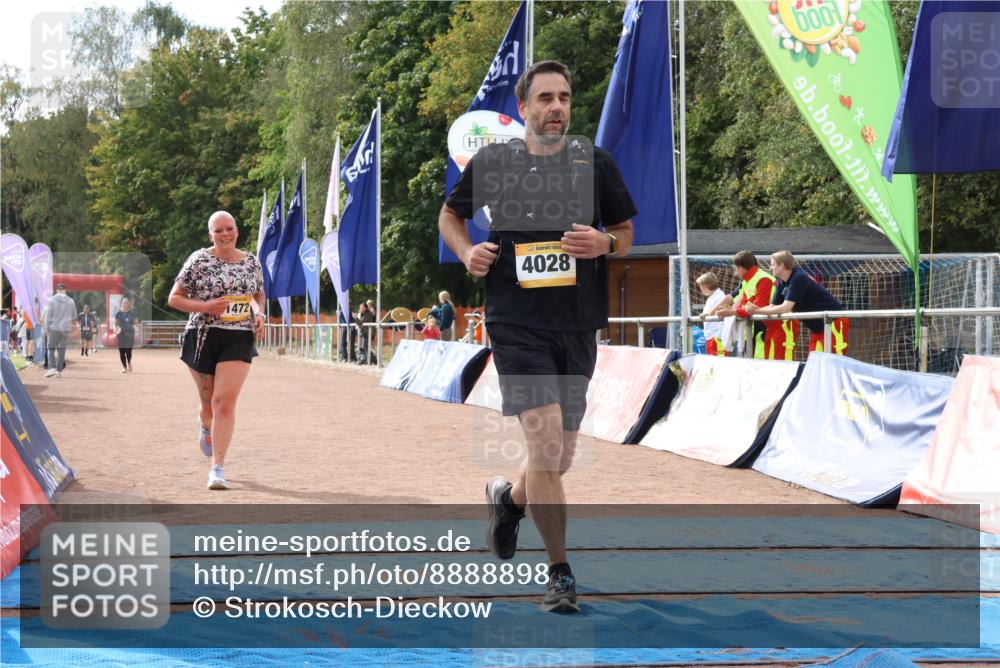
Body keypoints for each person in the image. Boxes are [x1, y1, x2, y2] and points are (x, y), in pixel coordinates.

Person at [439, 60, 636, 613]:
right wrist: (466, 252)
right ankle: (560, 573)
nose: (557, 107)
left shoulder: (595, 164)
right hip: (515, 320)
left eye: (565, 98)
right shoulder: (495, 162)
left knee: (558, 458)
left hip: (576, 324)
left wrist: (606, 247)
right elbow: (450, 216)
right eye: (545, 98)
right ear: (522, 108)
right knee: (546, 441)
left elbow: (624, 232)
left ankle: (509, 500)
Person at [167, 211, 265, 490]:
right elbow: (174, 298)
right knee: (209, 403)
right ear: (210, 234)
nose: (225, 234)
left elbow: (258, 294)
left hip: (239, 336)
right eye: (219, 230)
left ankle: (217, 468)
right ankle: (205, 425)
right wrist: (206, 307)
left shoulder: (251, 262)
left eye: (229, 228)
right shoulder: (199, 260)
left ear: (237, 230)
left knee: (224, 402)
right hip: (203, 335)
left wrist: (260, 314)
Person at [746, 250, 849, 356]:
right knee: (815, 361)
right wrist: (755, 308)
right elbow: (773, 305)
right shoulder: (783, 281)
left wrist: (758, 311)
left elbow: (786, 307)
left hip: (834, 323)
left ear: (781, 266)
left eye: (772, 264)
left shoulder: (799, 278)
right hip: (819, 328)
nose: (770, 268)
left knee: (834, 360)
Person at [712, 251, 776, 359]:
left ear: (741, 268)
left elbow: (759, 305)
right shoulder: (748, 281)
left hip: (771, 330)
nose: (734, 271)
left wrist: (732, 312)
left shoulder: (763, 279)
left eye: (735, 268)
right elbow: (745, 305)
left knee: (769, 366)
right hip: (756, 330)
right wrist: (732, 310)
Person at [44, 284, 77, 378]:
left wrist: (46, 326)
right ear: (65, 290)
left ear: (57, 290)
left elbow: (48, 315)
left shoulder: (52, 300)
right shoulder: (71, 301)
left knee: (50, 348)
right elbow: (74, 316)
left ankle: (51, 368)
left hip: (53, 328)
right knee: (62, 350)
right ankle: (59, 371)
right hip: (65, 328)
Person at [696, 272, 730, 356]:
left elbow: (719, 313)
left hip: (717, 337)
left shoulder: (720, 296)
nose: (701, 288)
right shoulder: (711, 298)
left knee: (718, 365)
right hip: (711, 337)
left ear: (707, 285)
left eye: (701, 285)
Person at [114, 299, 139, 372]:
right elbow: (116, 323)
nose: (126, 304)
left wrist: (137, 330)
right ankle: (124, 367)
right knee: (122, 351)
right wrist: (115, 329)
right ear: (122, 304)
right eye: (124, 303)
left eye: (127, 303)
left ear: (129, 304)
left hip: (130, 334)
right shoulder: (118, 313)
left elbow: (136, 322)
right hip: (121, 334)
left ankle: (129, 362)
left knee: (128, 351)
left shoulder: (132, 313)